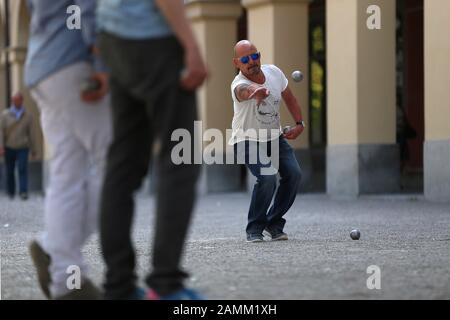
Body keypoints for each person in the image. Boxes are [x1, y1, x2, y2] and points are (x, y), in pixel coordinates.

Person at [96, 0, 207, 300]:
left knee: (123, 161)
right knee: (181, 158)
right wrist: (191, 45)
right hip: (153, 35)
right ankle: (165, 284)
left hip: (112, 35)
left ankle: (118, 286)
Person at [25, 0, 111, 299]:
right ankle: (57, 255)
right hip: (74, 62)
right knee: (117, 163)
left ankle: (64, 276)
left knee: (66, 172)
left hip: (43, 66)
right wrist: (102, 64)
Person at [229, 40, 304, 243]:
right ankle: (254, 228)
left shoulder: (274, 73)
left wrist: (299, 123)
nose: (252, 62)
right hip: (246, 140)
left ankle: (274, 223)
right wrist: (254, 92)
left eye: (255, 56)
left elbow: (290, 97)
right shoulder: (238, 84)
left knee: (294, 174)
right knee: (268, 177)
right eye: (245, 59)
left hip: (274, 138)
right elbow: (242, 91)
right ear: (237, 63)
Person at [0, 93, 37, 200]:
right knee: (10, 170)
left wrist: (33, 149)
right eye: (15, 100)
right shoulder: (5, 115)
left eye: (19, 100)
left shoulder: (28, 115)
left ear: (22, 100)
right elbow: (1, 132)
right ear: (12, 101)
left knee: (22, 168)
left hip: (23, 146)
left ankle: (23, 192)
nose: (17, 102)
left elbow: (32, 133)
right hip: (9, 146)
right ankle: (11, 192)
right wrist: (1, 146)